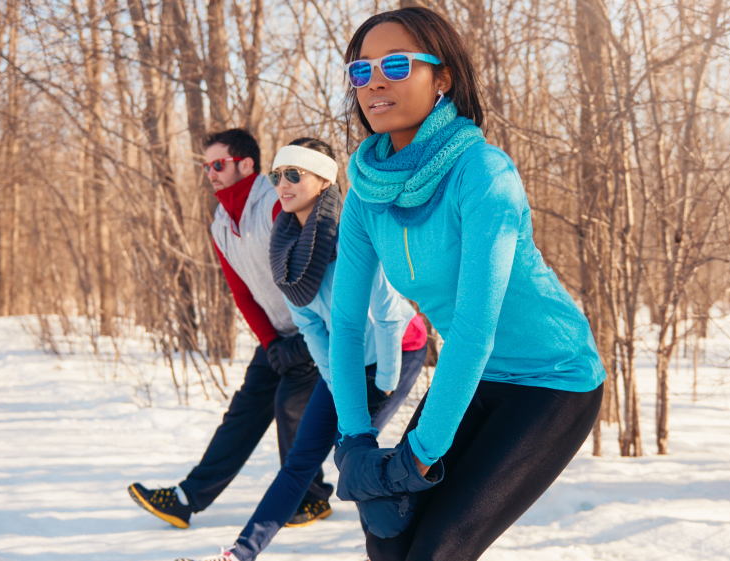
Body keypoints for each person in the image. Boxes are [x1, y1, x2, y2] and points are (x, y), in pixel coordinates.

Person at [328, 8, 606, 561]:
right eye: (361, 71)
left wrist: (423, 452)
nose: (375, 82)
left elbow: (477, 326)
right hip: (470, 375)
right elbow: (345, 322)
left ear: (443, 78)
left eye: (397, 64)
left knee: (440, 548)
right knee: (387, 539)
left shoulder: (483, 172)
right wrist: (354, 437)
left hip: (551, 379)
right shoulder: (365, 193)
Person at [180, 138, 429, 561]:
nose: (282, 184)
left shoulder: (353, 233)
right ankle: (241, 552)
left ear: (324, 179)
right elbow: (309, 323)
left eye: (294, 175)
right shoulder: (287, 250)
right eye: (277, 176)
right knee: (300, 460)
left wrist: (384, 382)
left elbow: (388, 315)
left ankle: (411, 548)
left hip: (395, 352)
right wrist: (334, 379)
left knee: (353, 454)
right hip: (345, 358)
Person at [128, 128, 333, 530]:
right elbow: (242, 293)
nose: (211, 173)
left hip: (316, 328)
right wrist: (271, 343)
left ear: (246, 164)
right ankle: (186, 500)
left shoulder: (278, 201)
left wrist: (305, 338)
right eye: (206, 167)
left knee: (291, 410)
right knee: (242, 414)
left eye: (218, 165)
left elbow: (314, 265)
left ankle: (312, 498)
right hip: (277, 335)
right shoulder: (221, 222)